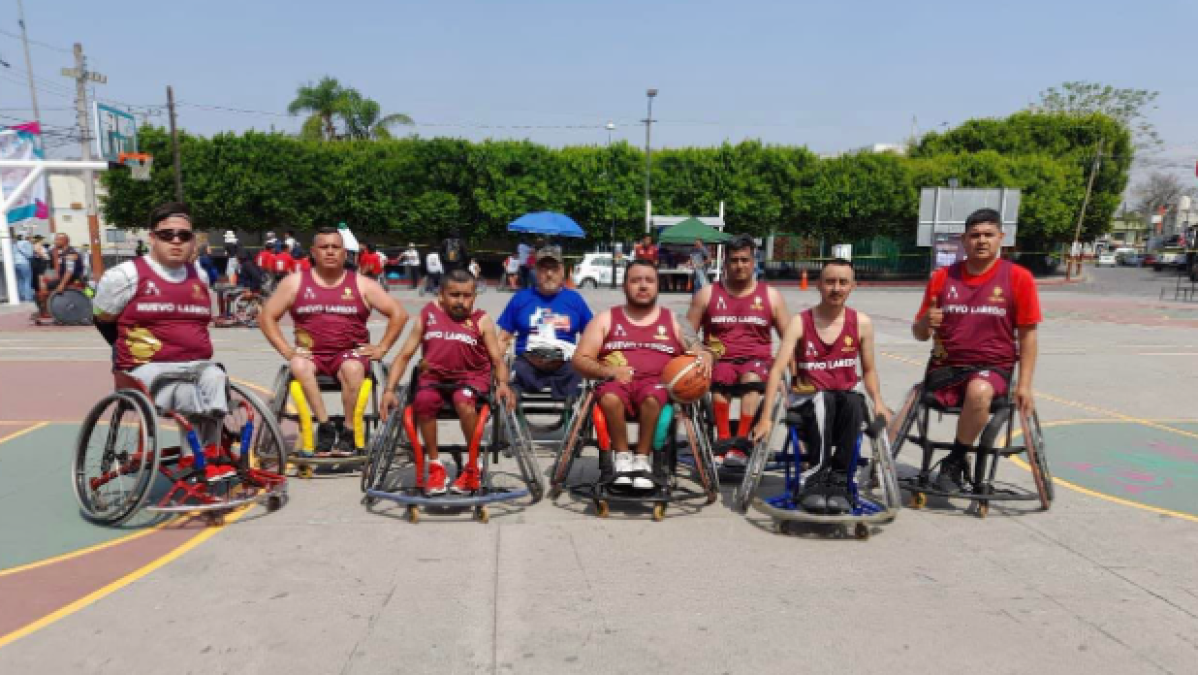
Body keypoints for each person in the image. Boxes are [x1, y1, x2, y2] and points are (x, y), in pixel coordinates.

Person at [92, 202, 233, 481]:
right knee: (187, 393)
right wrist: (130, 349)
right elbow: (103, 318)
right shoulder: (124, 276)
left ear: (192, 241)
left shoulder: (199, 276)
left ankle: (211, 452)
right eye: (167, 234)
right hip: (147, 367)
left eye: (184, 235)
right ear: (152, 238)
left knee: (216, 378)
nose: (176, 240)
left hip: (194, 363)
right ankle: (194, 456)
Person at [911, 208, 1041, 491]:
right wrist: (924, 323)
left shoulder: (1018, 278)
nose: (981, 241)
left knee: (979, 391)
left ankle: (956, 460)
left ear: (1001, 238)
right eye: (974, 235)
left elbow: (1028, 336)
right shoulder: (942, 277)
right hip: (946, 368)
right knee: (906, 406)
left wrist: (1025, 385)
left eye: (988, 235)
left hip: (993, 368)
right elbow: (919, 335)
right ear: (964, 240)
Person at [750, 259, 891, 514]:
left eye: (843, 282)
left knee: (853, 399)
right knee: (823, 398)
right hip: (807, 405)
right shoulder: (800, 322)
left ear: (853, 286)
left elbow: (869, 370)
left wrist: (878, 401)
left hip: (844, 406)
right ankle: (815, 476)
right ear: (818, 285)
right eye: (830, 282)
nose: (836, 288)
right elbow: (777, 370)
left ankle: (839, 480)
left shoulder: (861, 323)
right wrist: (766, 418)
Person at [260, 228, 408, 456]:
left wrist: (382, 347)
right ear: (313, 252)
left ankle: (348, 431)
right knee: (298, 364)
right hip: (312, 354)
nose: (330, 252)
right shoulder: (294, 283)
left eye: (335, 247)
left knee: (353, 368)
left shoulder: (362, 284)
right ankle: (325, 427)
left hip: (348, 353)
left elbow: (399, 314)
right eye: (324, 247)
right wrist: (286, 350)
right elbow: (266, 316)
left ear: (344, 253)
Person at [572, 260, 714, 488]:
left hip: (657, 385)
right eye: (635, 280)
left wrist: (706, 355)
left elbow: (699, 350)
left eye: (649, 280)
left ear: (658, 286)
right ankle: (622, 458)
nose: (643, 285)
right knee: (609, 396)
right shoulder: (605, 319)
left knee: (653, 396)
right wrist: (609, 371)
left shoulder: (674, 320)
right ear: (624, 286)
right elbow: (580, 358)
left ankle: (641, 459)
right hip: (616, 382)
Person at [380, 269, 513, 495]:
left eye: (467, 295)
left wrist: (502, 384)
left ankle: (473, 465)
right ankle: (435, 465)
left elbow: (497, 360)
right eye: (454, 295)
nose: (461, 301)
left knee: (463, 400)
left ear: (474, 296)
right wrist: (389, 390)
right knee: (422, 401)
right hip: (434, 378)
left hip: (471, 378)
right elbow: (404, 355)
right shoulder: (427, 315)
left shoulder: (482, 320)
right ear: (441, 295)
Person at [686, 234, 789, 465]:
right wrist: (700, 352)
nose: (739, 265)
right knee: (720, 374)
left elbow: (790, 339)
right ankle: (723, 441)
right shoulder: (707, 294)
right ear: (725, 263)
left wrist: (786, 370)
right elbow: (687, 334)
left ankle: (741, 444)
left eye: (745, 260)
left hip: (756, 361)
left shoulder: (771, 296)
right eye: (734, 260)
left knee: (751, 376)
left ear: (754, 262)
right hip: (720, 360)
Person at [498, 246, 593, 401]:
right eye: (543, 268)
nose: (549, 274)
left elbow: (592, 337)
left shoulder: (574, 300)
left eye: (554, 268)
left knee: (577, 372)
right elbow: (502, 339)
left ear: (562, 271)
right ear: (536, 271)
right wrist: (496, 364)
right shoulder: (521, 298)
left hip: (565, 364)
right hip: (527, 364)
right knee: (517, 375)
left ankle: (570, 412)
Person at [35, 233, 84, 319]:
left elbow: (69, 271)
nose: (55, 242)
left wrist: (62, 284)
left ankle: (46, 312)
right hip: (67, 278)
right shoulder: (63, 253)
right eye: (55, 240)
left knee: (42, 290)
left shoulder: (70, 253)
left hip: (72, 280)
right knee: (44, 284)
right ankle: (47, 309)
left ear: (64, 241)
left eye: (57, 240)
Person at [12, 233, 33, 302]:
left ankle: (21, 296)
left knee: (20, 280)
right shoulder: (27, 243)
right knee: (27, 280)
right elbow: (30, 255)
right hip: (24, 263)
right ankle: (28, 297)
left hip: (15, 263)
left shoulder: (14, 244)